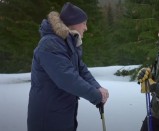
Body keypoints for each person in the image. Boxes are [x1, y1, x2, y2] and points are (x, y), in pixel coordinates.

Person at [27, 2, 109, 131]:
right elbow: (68, 79)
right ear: (74, 23)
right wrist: (97, 96)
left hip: (62, 114)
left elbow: (82, 70)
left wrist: (98, 88)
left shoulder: (67, 43)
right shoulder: (50, 44)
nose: (86, 28)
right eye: (84, 23)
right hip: (48, 118)